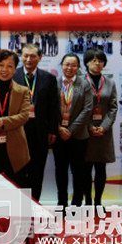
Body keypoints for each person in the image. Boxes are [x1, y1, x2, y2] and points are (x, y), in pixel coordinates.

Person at [13, 43, 59, 201]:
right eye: (25, 55)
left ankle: (34, 205)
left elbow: (54, 107)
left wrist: (52, 130)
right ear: (21, 56)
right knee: (19, 172)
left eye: (32, 56)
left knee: (37, 172)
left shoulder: (49, 78)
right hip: (18, 132)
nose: (28, 59)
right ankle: (20, 206)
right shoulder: (13, 76)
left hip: (40, 133)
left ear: (40, 57)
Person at [52, 53, 92, 207]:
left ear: (78, 67)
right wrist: (59, 128)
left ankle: (76, 204)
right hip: (58, 135)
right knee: (60, 171)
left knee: (78, 171)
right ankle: (61, 202)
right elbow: (49, 108)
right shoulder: (53, 83)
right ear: (62, 65)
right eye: (67, 64)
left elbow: (87, 109)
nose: (70, 68)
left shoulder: (84, 84)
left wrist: (71, 129)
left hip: (79, 136)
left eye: (73, 65)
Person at [0, 50, 31, 187]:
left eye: (9, 66)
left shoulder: (23, 91)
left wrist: (3, 121)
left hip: (15, 149)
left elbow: (24, 116)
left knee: (15, 190)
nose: (4, 70)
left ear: (15, 69)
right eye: (1, 65)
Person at [82, 49, 118, 206]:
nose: (97, 63)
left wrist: (104, 127)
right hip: (84, 131)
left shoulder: (110, 82)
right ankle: (88, 202)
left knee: (101, 168)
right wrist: (89, 126)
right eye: (93, 60)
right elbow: (77, 107)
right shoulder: (80, 81)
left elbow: (113, 107)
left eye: (100, 61)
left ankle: (98, 202)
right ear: (87, 63)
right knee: (85, 169)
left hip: (104, 132)